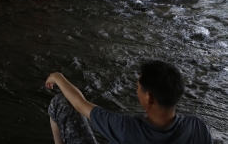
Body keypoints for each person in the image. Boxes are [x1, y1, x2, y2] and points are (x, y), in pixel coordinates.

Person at [45, 60, 214, 144]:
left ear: (148, 99)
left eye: (138, 87)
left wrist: (58, 77)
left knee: (61, 102)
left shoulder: (127, 128)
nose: (136, 90)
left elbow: (79, 104)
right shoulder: (198, 127)